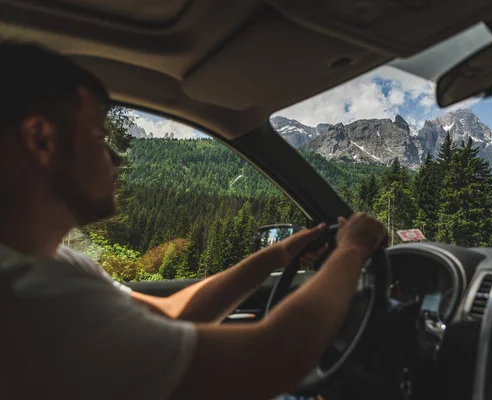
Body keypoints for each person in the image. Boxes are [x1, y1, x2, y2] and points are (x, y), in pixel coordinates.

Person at [0, 42, 387, 400]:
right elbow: (269, 362)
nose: (116, 159)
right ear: (41, 139)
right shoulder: (33, 298)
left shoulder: (52, 264)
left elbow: (173, 313)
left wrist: (276, 256)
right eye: (99, 139)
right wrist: (352, 249)